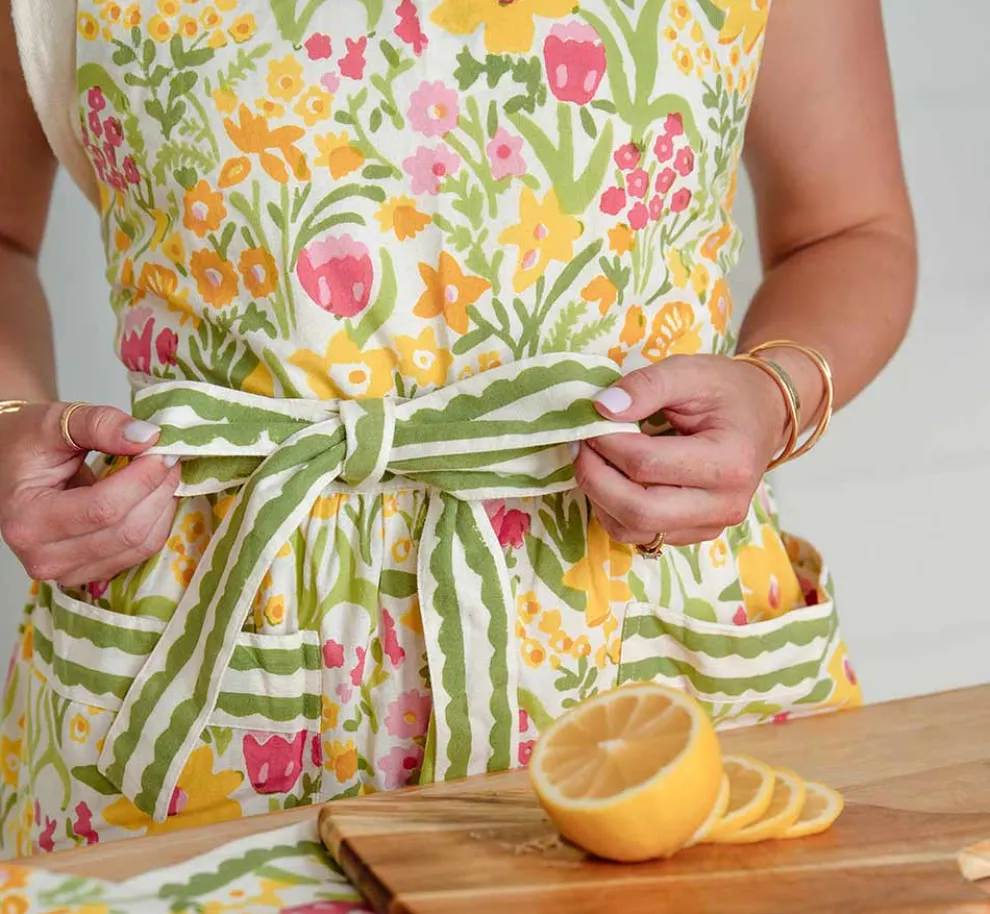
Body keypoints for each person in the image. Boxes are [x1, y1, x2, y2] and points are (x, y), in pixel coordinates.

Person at [0, 0, 915, 855]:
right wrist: (8, 422)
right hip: (207, 644)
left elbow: (851, 227)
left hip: (650, 633)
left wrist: (775, 393)